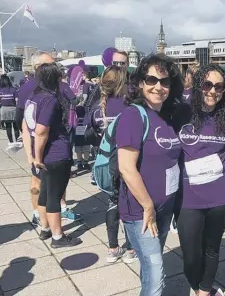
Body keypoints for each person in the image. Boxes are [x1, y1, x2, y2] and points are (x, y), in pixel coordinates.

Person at [116, 54, 183, 296]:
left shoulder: (167, 116)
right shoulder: (133, 116)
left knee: (150, 266)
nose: (158, 86)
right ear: (141, 83)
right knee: (156, 278)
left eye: (164, 82)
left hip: (164, 207)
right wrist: (147, 206)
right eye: (151, 80)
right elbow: (126, 167)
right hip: (141, 211)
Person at [175, 64, 225, 296]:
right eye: (207, 84)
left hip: (220, 194)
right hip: (188, 195)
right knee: (190, 252)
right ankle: (195, 280)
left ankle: (204, 289)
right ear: (199, 85)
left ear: (224, 89)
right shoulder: (181, 112)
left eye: (218, 86)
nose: (212, 90)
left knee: (212, 247)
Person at [22, 62, 82, 248]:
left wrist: (32, 155)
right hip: (55, 153)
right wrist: (38, 157)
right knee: (54, 195)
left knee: (45, 193)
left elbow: (26, 126)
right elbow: (41, 131)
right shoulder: (50, 100)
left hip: (44, 153)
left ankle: (45, 228)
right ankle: (58, 236)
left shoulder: (33, 97)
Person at [84, 65, 137, 264]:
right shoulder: (131, 106)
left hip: (106, 163)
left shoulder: (98, 107)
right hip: (129, 163)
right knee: (131, 204)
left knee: (112, 203)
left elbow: (89, 134)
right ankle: (131, 247)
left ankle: (113, 247)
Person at [0, 75, 19, 144]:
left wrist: (2, 100)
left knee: (8, 126)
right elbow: (17, 101)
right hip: (14, 109)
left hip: (5, 109)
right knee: (16, 127)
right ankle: (17, 141)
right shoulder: (14, 89)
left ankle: (11, 142)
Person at [73, 106, 90, 171]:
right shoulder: (86, 119)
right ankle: (86, 162)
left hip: (77, 139)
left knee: (78, 151)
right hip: (86, 138)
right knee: (86, 150)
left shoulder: (75, 121)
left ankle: (79, 162)